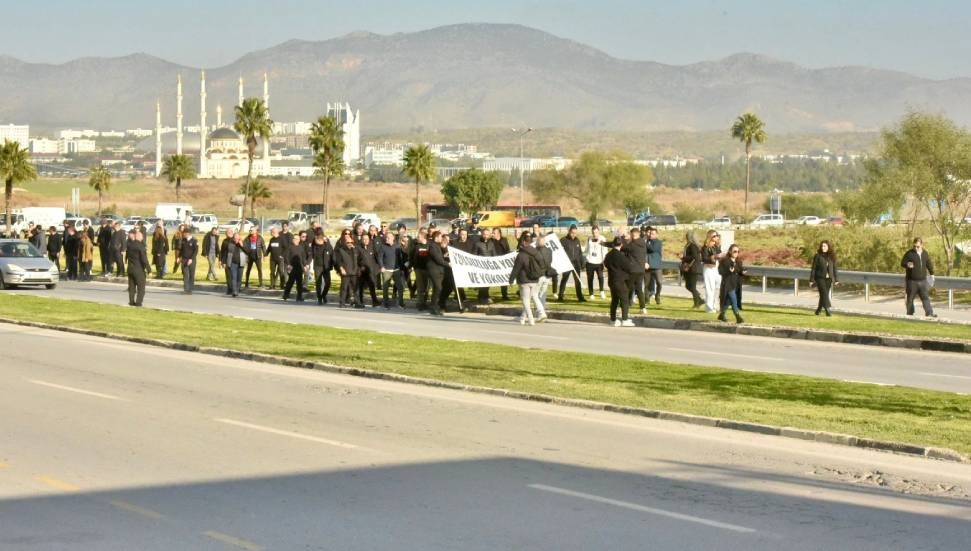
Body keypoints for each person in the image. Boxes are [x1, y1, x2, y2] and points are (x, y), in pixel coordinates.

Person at [509, 233, 546, 325]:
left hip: (524, 279)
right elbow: (542, 263)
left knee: (525, 300)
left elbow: (516, 268)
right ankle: (522, 318)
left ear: (524, 242)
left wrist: (511, 279)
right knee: (529, 298)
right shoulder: (536, 252)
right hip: (535, 279)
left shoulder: (521, 254)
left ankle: (530, 318)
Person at [605, 237, 639, 326]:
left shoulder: (609, 255)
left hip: (611, 280)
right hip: (620, 281)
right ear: (621, 245)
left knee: (614, 300)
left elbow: (606, 264)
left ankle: (613, 320)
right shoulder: (620, 256)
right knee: (624, 299)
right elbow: (628, 267)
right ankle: (625, 319)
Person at [901, 237, 937, 318]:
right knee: (910, 299)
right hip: (911, 281)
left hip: (923, 281)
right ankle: (910, 314)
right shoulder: (909, 253)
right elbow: (902, 263)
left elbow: (928, 264)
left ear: (922, 245)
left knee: (925, 298)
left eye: (917, 246)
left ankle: (929, 313)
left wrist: (932, 274)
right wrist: (907, 265)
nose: (916, 248)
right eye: (914, 246)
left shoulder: (925, 253)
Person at [557, 224, 586, 302]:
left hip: (576, 264)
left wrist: (582, 263)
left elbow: (580, 253)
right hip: (567, 264)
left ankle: (580, 297)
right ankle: (560, 296)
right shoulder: (563, 240)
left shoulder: (577, 240)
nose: (574, 234)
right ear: (569, 231)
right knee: (564, 280)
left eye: (575, 233)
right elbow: (559, 252)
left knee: (577, 281)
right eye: (572, 233)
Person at [718, 244, 746, 324]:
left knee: (728, 301)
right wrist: (729, 271)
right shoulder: (724, 261)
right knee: (734, 299)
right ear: (730, 251)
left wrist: (743, 272)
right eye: (734, 251)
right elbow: (720, 271)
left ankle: (722, 315)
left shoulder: (738, 261)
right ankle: (738, 317)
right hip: (727, 284)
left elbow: (739, 271)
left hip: (736, 284)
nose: (736, 253)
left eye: (738, 251)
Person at [809, 240, 839, 316]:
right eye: (822, 246)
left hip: (829, 279)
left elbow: (835, 268)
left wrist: (836, 279)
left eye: (824, 246)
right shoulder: (817, 256)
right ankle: (827, 310)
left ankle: (818, 310)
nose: (823, 247)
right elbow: (813, 268)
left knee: (823, 295)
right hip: (820, 278)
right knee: (824, 293)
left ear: (828, 247)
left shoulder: (832, 256)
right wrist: (811, 280)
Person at [623, 227, 648, 313]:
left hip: (633, 270)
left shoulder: (632, 245)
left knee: (626, 288)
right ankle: (643, 308)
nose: (631, 236)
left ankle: (623, 306)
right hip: (641, 270)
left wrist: (623, 238)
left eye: (631, 235)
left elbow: (621, 247)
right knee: (639, 289)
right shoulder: (643, 243)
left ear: (634, 234)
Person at [378, 232, 405, 309]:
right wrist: (382, 266)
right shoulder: (382, 247)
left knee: (400, 287)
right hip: (386, 270)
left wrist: (401, 268)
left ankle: (401, 303)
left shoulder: (397, 247)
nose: (387, 239)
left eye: (389, 237)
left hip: (396, 270)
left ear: (393, 238)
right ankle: (386, 302)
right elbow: (380, 258)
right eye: (386, 237)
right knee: (385, 287)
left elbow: (400, 258)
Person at [426, 231, 448, 316]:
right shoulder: (432, 246)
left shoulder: (437, 246)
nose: (442, 238)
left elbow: (441, 257)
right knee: (438, 288)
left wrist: (445, 250)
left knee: (437, 289)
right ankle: (433, 306)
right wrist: (448, 264)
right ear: (436, 237)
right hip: (434, 271)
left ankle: (434, 306)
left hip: (439, 271)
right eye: (440, 237)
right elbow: (438, 259)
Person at [701, 230, 724, 313]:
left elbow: (719, 255)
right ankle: (709, 307)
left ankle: (715, 305)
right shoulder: (705, 247)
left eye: (717, 235)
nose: (716, 237)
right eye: (714, 236)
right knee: (710, 288)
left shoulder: (716, 246)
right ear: (710, 237)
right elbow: (704, 259)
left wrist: (720, 255)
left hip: (716, 268)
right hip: (708, 268)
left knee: (718, 286)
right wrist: (713, 257)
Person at [680, 231, 704, 309]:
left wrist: (683, 258)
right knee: (688, 286)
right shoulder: (689, 245)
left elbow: (695, 257)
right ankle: (699, 300)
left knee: (692, 286)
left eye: (687, 236)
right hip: (689, 269)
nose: (686, 237)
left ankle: (697, 303)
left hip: (693, 269)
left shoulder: (693, 246)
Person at [335, 235, 359, 308]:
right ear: (344, 242)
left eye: (351, 242)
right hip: (345, 272)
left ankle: (357, 302)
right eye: (347, 242)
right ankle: (342, 303)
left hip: (354, 272)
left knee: (355, 288)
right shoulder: (340, 250)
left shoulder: (355, 250)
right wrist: (341, 269)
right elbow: (338, 261)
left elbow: (359, 260)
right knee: (344, 288)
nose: (349, 243)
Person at [310, 231, 334, 305]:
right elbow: (311, 254)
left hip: (326, 266)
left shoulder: (327, 245)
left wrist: (326, 242)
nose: (317, 241)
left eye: (319, 239)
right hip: (317, 266)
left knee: (328, 282)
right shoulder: (314, 246)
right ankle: (319, 298)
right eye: (316, 239)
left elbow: (331, 252)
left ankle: (323, 295)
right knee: (318, 283)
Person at [126, 230, 149, 306]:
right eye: (142, 237)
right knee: (141, 287)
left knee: (132, 287)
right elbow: (144, 259)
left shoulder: (130, 245)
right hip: (138, 269)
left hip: (130, 268)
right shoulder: (141, 247)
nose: (142, 238)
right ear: (139, 237)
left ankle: (131, 301)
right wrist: (149, 269)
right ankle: (138, 302)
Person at [584, 225, 608, 300]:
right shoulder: (589, 239)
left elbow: (605, 251)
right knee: (590, 278)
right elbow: (586, 250)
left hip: (599, 262)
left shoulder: (602, 239)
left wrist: (604, 262)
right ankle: (591, 293)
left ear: (599, 232)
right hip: (590, 262)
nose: (595, 234)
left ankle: (602, 291)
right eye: (593, 232)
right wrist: (585, 258)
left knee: (601, 277)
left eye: (596, 232)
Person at [357, 233, 380, 307]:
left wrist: (377, 268)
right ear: (361, 240)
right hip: (361, 271)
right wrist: (358, 269)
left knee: (372, 286)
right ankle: (360, 301)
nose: (365, 240)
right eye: (364, 239)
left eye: (367, 239)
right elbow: (355, 260)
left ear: (369, 240)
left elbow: (377, 258)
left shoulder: (372, 247)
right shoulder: (358, 248)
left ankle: (374, 301)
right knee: (360, 287)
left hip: (370, 271)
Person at [218, 228, 242, 297]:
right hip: (226, 260)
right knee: (228, 275)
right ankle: (230, 289)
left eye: (230, 232)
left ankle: (235, 289)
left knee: (234, 276)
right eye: (227, 232)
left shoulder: (235, 240)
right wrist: (221, 261)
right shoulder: (225, 241)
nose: (229, 233)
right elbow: (222, 251)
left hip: (234, 260)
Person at [535, 233, 554, 316]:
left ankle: (541, 312)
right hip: (547, 274)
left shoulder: (536, 251)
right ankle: (542, 311)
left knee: (535, 295)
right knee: (543, 295)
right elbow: (550, 261)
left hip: (540, 275)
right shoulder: (549, 250)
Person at [411, 228, 431, 310]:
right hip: (418, 269)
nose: (417, 238)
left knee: (427, 287)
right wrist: (414, 267)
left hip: (427, 269)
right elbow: (413, 258)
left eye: (418, 237)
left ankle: (425, 302)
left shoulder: (429, 245)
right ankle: (420, 303)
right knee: (420, 287)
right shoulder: (417, 246)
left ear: (423, 237)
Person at [282, 235, 306, 302]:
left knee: (299, 283)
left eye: (297, 239)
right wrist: (288, 265)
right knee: (290, 282)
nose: (296, 240)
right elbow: (286, 256)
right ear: (293, 240)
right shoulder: (289, 247)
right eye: (294, 239)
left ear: (299, 240)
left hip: (299, 267)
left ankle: (299, 297)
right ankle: (286, 295)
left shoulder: (301, 247)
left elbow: (303, 257)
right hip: (292, 267)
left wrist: (305, 265)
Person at [645, 226, 663, 304]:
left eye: (653, 234)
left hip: (656, 266)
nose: (651, 235)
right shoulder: (646, 241)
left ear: (656, 235)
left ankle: (657, 295)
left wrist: (645, 243)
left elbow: (653, 249)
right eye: (650, 233)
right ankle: (646, 299)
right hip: (647, 266)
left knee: (659, 282)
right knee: (646, 284)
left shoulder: (658, 242)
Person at [492, 228, 511, 300]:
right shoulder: (491, 241)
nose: (493, 234)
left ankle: (504, 295)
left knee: (504, 279)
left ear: (499, 233)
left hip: (503, 262)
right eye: (493, 232)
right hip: (494, 262)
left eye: (494, 233)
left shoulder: (504, 240)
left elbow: (507, 249)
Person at [178, 226, 198, 294]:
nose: (183, 234)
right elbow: (181, 250)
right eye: (183, 233)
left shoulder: (194, 241)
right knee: (185, 275)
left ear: (188, 233)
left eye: (184, 233)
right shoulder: (183, 240)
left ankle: (190, 289)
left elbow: (195, 251)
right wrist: (179, 257)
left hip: (191, 260)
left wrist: (191, 259)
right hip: (184, 260)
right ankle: (186, 289)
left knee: (191, 275)